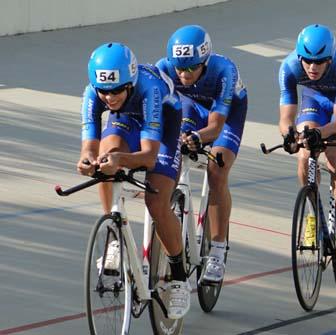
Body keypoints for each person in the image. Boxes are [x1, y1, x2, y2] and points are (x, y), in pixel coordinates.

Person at [78, 42, 190, 319]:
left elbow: (149, 157)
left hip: (163, 126)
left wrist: (121, 161)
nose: (110, 96)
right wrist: (88, 161)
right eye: (104, 90)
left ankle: (179, 276)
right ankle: (114, 237)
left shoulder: (149, 88)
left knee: (156, 201)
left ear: (129, 82)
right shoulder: (93, 94)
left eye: (117, 90)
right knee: (105, 157)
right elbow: (89, 143)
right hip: (127, 120)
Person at [156, 25, 247, 283]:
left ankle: (217, 251)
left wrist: (198, 137)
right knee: (170, 158)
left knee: (217, 171)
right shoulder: (163, 68)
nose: (183, 74)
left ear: (205, 62)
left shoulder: (223, 71)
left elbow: (216, 127)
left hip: (225, 115)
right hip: (190, 109)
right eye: (179, 68)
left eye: (191, 68)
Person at [278, 24, 336, 262]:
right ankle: (312, 218)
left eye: (320, 61)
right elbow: (286, 116)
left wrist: (321, 134)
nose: (312, 67)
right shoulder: (289, 67)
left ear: (330, 57)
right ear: (299, 57)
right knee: (305, 155)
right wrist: (290, 135)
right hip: (313, 98)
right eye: (307, 61)